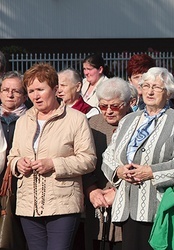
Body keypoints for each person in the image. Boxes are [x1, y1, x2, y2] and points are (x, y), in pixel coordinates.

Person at [101, 67, 174, 250]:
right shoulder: (128, 120)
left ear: (167, 92)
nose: (150, 91)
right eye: (146, 86)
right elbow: (108, 155)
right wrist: (118, 171)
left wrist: (151, 172)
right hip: (127, 207)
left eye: (156, 87)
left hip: (160, 207)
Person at [7, 63, 97, 250]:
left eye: (41, 89)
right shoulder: (23, 121)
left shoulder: (76, 119)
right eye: (31, 91)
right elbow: (12, 155)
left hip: (62, 204)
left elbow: (89, 159)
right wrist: (18, 164)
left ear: (55, 89)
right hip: (28, 205)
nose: (35, 95)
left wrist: (54, 164)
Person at [84, 77, 132, 250]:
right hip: (97, 203)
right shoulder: (92, 124)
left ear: (128, 103)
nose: (109, 111)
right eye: (103, 106)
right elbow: (84, 161)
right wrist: (91, 190)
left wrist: (120, 192)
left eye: (115, 106)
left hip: (127, 206)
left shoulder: (138, 123)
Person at [0, 71, 29, 249]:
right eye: (5, 90)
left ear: (25, 96)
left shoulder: (31, 119)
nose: (10, 95)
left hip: (21, 185)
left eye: (16, 91)